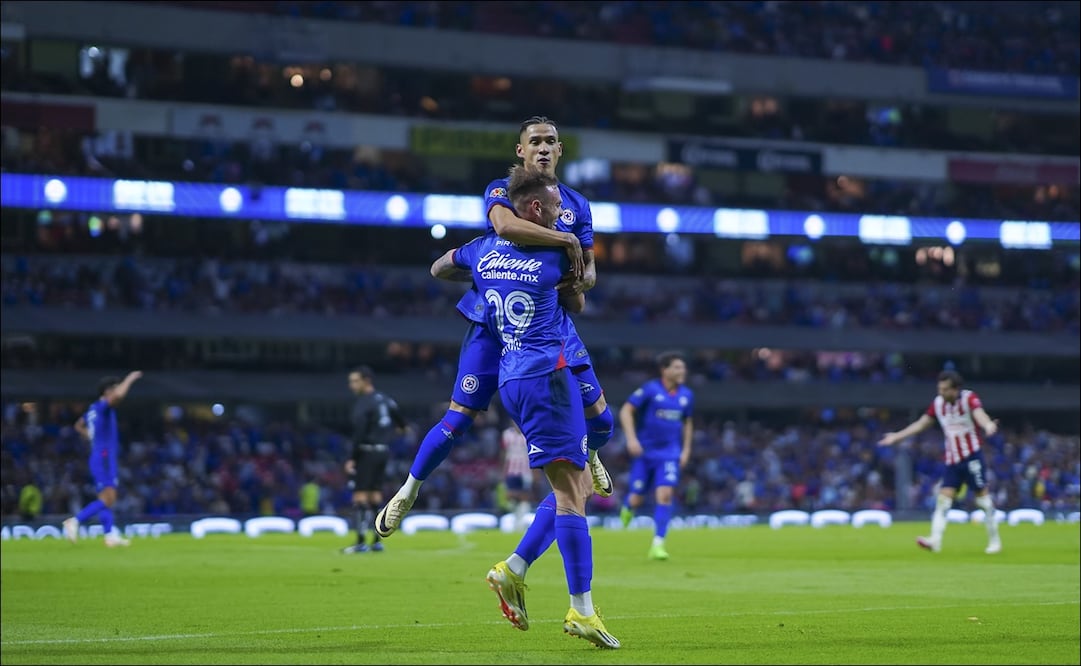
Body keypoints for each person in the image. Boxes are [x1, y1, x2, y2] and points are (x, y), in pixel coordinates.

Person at [376, 116, 614, 539]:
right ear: (520, 151)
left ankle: (590, 453)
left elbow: (590, 272)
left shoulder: (577, 205)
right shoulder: (503, 189)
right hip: (492, 320)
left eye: (551, 141)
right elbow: (504, 226)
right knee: (459, 416)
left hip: (548, 322)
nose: (543, 147)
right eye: (535, 141)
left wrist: (582, 276)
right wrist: (565, 242)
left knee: (602, 419)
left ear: (560, 151)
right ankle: (408, 492)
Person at [432, 166, 620, 648]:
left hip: (513, 375)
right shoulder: (552, 256)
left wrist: (479, 278)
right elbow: (577, 303)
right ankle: (581, 610)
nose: (562, 215)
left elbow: (440, 266)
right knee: (572, 493)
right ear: (536, 209)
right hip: (547, 375)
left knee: (576, 478)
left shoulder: (481, 250)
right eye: (556, 209)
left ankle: (513, 568)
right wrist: (571, 249)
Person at [878, 369, 1002, 554]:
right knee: (943, 500)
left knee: (983, 501)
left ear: (955, 389)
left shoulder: (968, 399)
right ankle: (935, 540)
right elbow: (921, 423)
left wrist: (988, 425)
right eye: (940, 389)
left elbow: (980, 414)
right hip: (952, 460)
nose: (941, 393)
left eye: (945, 389)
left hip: (972, 457)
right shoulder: (938, 404)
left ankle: (995, 541)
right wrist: (898, 437)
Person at [618, 351, 695, 561]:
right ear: (665, 370)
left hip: (669, 454)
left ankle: (658, 544)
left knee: (665, 495)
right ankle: (628, 507)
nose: (682, 371)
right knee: (636, 496)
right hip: (645, 453)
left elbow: (688, 423)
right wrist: (631, 439)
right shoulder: (650, 390)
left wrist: (686, 449)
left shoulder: (686, 395)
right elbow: (626, 410)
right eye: (678, 367)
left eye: (683, 367)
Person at [63, 371, 143, 547]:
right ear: (107, 391)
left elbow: (78, 425)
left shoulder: (92, 409)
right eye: (114, 388)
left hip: (99, 455)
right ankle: (75, 521)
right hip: (105, 457)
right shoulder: (103, 407)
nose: (117, 391)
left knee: (105, 498)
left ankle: (109, 536)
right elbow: (119, 396)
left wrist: (89, 435)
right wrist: (129, 379)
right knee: (109, 498)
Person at [341, 365, 406, 554]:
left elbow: (359, 432)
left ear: (366, 381)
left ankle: (361, 542)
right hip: (383, 452)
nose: (351, 385)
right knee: (375, 495)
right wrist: (386, 437)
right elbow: (402, 425)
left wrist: (353, 458)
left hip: (366, 451)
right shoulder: (386, 400)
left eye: (354, 381)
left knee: (360, 495)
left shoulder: (364, 403)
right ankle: (377, 541)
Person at [500, 419, 536, 531]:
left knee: (525, 496)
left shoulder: (529, 434)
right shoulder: (506, 434)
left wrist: (535, 471)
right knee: (511, 496)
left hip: (526, 470)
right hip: (511, 469)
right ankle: (515, 520)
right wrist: (502, 470)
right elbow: (503, 452)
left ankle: (520, 523)